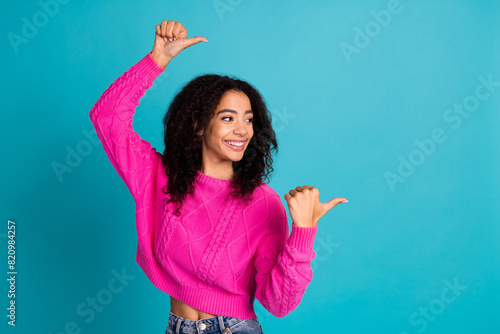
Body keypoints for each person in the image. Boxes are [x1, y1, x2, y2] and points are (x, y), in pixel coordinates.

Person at [89, 19, 348, 334]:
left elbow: (279, 304)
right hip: (176, 326)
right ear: (198, 125)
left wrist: (303, 233)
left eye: (248, 119)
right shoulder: (158, 176)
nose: (242, 130)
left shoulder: (263, 202)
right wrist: (156, 61)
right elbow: (106, 116)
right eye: (228, 118)